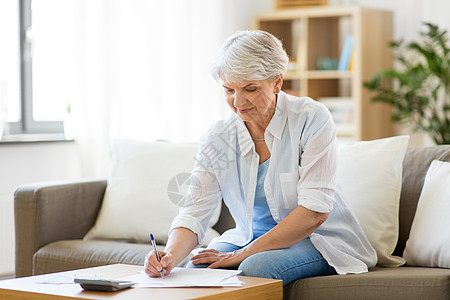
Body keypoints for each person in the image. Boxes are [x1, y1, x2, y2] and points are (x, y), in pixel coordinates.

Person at [144, 30, 377, 285]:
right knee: (196, 265)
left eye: (250, 88)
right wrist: (168, 256)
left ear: (277, 81)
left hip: (317, 239)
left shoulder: (311, 119)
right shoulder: (218, 137)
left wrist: (241, 254)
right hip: (247, 236)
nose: (238, 101)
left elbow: (314, 213)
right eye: (228, 90)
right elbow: (194, 212)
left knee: (256, 266)